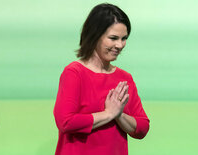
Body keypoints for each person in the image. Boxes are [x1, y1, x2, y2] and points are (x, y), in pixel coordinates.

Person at [53, 3, 150, 155]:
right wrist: (108, 114)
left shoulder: (124, 78)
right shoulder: (74, 73)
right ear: (94, 35)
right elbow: (66, 122)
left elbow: (142, 127)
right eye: (113, 38)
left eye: (124, 38)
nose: (120, 45)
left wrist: (119, 115)